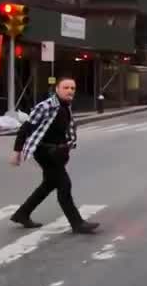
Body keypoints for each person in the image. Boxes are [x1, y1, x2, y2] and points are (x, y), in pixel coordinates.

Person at [9, 77, 99, 234]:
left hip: (57, 153)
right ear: (57, 89)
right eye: (66, 87)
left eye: (72, 88)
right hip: (45, 152)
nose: (70, 91)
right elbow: (26, 128)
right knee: (64, 185)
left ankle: (22, 214)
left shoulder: (65, 106)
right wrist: (17, 152)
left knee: (48, 184)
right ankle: (77, 223)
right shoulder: (45, 106)